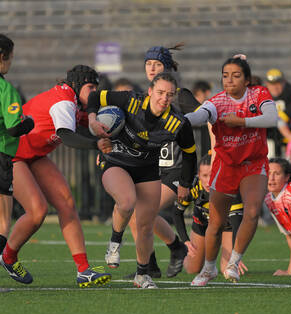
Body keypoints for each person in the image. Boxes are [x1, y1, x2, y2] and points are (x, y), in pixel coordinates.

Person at [0, 65, 112, 287]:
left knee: (67, 203)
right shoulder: (63, 101)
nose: (93, 92)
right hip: (14, 153)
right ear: (77, 85)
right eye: (90, 87)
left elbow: (84, 126)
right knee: (38, 210)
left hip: (34, 154)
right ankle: (8, 257)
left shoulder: (75, 102)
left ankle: (84, 270)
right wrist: (96, 144)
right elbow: (67, 137)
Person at [87, 72, 197, 288]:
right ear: (150, 91)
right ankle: (114, 242)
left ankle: (142, 274)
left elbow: (190, 154)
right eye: (160, 92)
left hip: (147, 170)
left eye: (169, 94)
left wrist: (185, 183)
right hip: (116, 162)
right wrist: (93, 121)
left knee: (146, 225)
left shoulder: (178, 123)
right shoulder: (131, 100)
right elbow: (94, 98)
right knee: (127, 202)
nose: (164, 98)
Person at [184, 55, 278, 285]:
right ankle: (209, 269)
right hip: (226, 166)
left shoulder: (259, 94)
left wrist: (242, 122)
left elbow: (272, 118)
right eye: (225, 76)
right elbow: (200, 115)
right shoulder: (217, 102)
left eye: (236, 76)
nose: (229, 80)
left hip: (253, 164)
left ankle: (233, 263)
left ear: (247, 80)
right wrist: (183, 119)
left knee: (253, 212)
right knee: (215, 224)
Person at [171, 154, 247, 279]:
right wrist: (186, 241)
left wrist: (236, 256)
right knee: (192, 269)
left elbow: (236, 223)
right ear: (198, 176)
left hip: (227, 226)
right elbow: (177, 212)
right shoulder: (193, 187)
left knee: (227, 269)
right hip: (202, 223)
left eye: (212, 175)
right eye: (204, 176)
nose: (208, 180)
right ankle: (187, 256)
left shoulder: (230, 190)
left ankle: (224, 261)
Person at [0, 34, 34, 256]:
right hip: (1, 154)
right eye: (11, 58)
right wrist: (29, 122)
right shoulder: (6, 89)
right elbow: (14, 128)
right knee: (3, 222)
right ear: (3, 57)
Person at [264, 68, 291, 158]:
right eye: (271, 84)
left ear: (284, 82)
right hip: (269, 136)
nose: (275, 87)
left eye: (278, 84)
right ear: (266, 84)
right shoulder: (263, 94)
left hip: (290, 137)